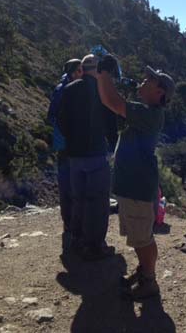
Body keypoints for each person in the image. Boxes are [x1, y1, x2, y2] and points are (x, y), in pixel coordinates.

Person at [92, 59, 175, 300]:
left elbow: (111, 101)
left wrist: (104, 72)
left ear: (159, 91)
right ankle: (143, 272)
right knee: (139, 236)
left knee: (143, 238)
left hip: (137, 187)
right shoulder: (146, 112)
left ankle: (149, 281)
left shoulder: (149, 114)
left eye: (149, 79)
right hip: (134, 186)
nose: (143, 80)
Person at [57, 54, 117, 261]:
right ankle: (95, 245)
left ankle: (77, 238)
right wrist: (112, 143)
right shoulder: (103, 91)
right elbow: (111, 121)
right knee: (98, 201)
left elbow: (62, 121)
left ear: (82, 69)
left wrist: (72, 141)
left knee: (78, 198)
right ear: (97, 70)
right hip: (97, 153)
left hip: (75, 154)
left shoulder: (69, 89)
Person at [46, 59, 82, 255]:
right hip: (66, 143)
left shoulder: (67, 87)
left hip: (68, 142)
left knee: (71, 182)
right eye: (78, 70)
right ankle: (69, 223)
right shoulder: (62, 89)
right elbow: (52, 115)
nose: (81, 73)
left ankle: (72, 223)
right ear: (71, 71)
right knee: (68, 183)